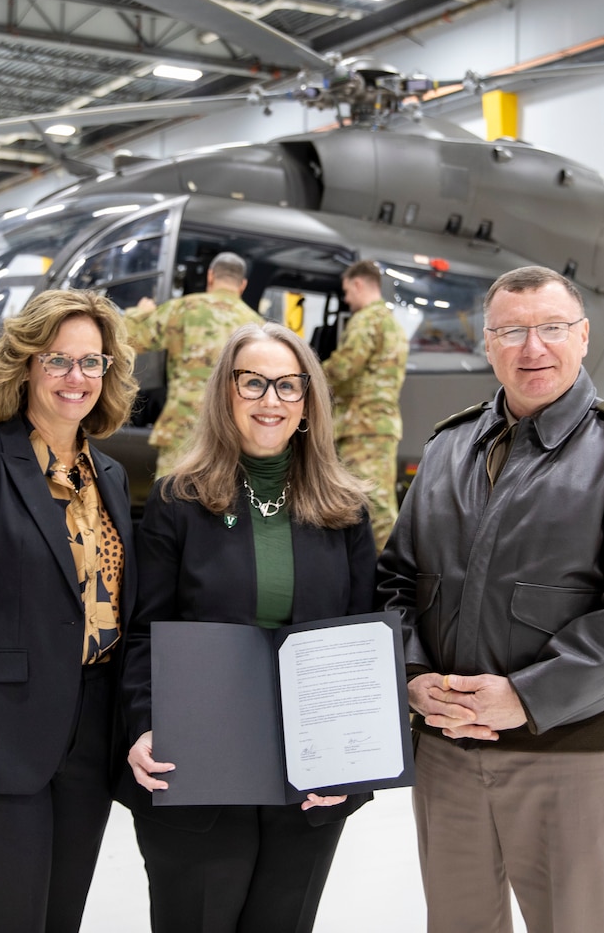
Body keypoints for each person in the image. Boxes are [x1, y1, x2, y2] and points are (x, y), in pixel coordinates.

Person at [379, 265, 604, 933]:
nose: (532, 348)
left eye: (550, 328)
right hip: (450, 758)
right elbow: (398, 579)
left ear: (582, 337)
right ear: (487, 344)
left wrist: (525, 697)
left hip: (571, 760)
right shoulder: (445, 449)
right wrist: (411, 676)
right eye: (511, 331)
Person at [121, 322, 379, 933]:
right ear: (225, 395)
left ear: (308, 402)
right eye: (254, 383)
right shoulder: (177, 501)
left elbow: (364, 641)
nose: (272, 400)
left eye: (289, 386)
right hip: (200, 767)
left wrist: (353, 758)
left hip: (311, 779)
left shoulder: (345, 510)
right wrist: (142, 726)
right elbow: (143, 632)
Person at [0, 289, 140, 933]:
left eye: (92, 363)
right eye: (59, 360)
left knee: (62, 918)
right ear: (26, 367)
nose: (77, 378)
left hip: (92, 734)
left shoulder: (112, 478)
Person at [125, 251, 262, 476]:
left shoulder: (182, 310)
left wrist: (140, 313)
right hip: (229, 435)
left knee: (169, 500)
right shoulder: (256, 326)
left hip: (181, 430)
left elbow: (129, 337)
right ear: (242, 284)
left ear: (210, 276)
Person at [323, 258, 409, 550]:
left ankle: (390, 572)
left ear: (359, 284)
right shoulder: (392, 324)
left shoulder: (366, 320)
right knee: (376, 498)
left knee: (371, 502)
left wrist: (305, 377)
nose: (346, 299)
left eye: (347, 291)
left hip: (362, 425)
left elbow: (345, 367)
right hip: (379, 423)